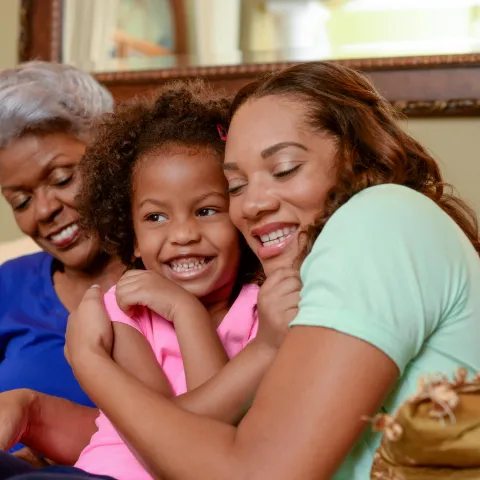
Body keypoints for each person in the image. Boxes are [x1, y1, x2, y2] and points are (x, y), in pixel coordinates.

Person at [58, 61, 480, 480]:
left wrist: (91, 362)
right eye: (237, 186)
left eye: (284, 169)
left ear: (358, 160)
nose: (252, 204)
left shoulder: (378, 218)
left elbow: (255, 470)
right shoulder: (302, 289)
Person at [0, 83, 298, 479]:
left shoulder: (264, 308)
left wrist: (187, 312)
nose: (183, 234)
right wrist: (192, 313)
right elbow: (160, 430)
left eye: (207, 210)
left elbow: (197, 440)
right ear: (132, 237)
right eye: (156, 218)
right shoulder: (124, 312)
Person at [0, 61, 124, 461]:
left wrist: (42, 447)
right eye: (20, 200)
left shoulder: (181, 269)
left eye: (62, 179)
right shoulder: (8, 286)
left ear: (112, 153)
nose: (44, 211)